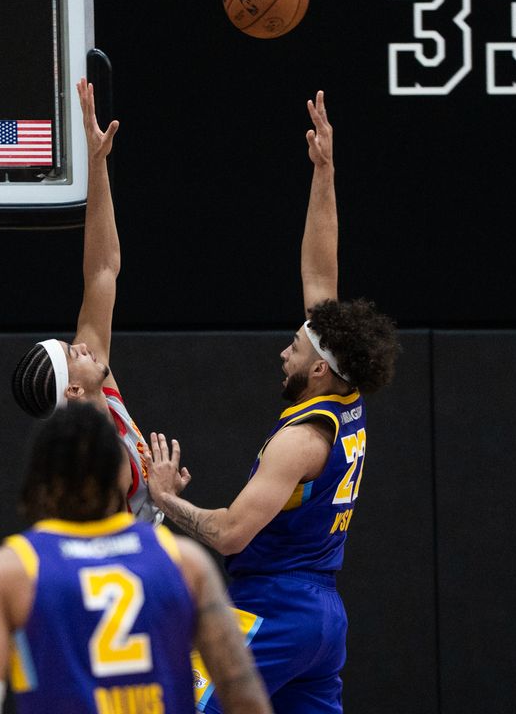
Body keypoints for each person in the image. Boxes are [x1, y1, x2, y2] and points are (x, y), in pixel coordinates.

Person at [145, 91, 402, 714]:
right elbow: (321, 276)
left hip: (273, 610)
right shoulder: (348, 392)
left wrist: (165, 498)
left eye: (292, 348)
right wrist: (324, 174)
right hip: (322, 614)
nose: (282, 353)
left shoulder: (301, 441)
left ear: (317, 367)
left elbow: (231, 534)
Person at [0, 402, 273, 714]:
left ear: (40, 479)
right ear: (122, 477)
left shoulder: (3, 574)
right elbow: (243, 696)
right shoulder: (183, 561)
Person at [10, 78, 160, 523]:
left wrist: (98, 164)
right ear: (73, 390)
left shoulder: (98, 392)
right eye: (71, 352)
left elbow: (102, 270)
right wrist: (165, 497)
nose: (80, 345)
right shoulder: (93, 462)